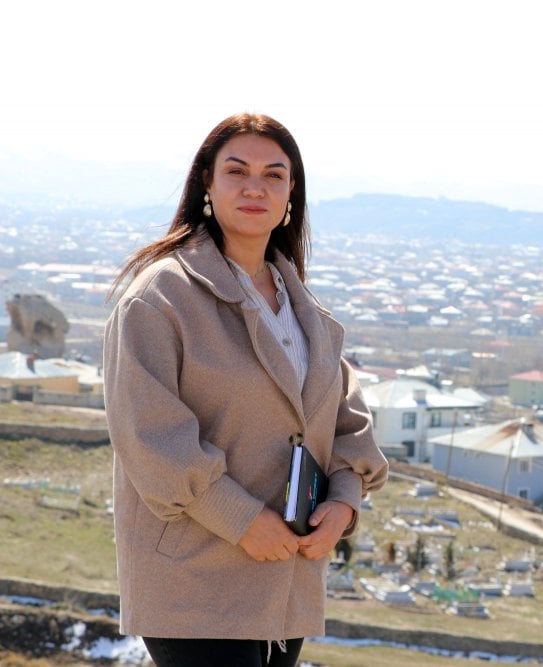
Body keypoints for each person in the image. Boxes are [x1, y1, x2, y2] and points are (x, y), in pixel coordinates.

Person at [103, 113, 388, 667]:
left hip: (287, 580)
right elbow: (148, 437)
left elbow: (347, 420)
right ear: (206, 184)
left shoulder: (302, 305)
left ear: (291, 193)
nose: (255, 187)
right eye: (237, 171)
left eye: (273, 175)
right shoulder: (158, 299)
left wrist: (343, 503)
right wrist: (241, 518)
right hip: (195, 579)